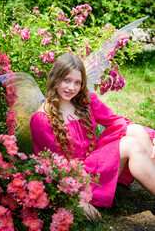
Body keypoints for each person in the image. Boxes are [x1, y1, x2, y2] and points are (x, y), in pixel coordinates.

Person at [30, 53, 155, 218]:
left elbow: (114, 120)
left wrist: (152, 138)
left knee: (136, 130)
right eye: (66, 80)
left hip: (95, 162)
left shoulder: (84, 101)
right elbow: (53, 167)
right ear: (55, 78)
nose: (71, 88)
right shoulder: (43, 118)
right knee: (131, 145)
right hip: (77, 180)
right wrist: (75, 201)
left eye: (77, 83)